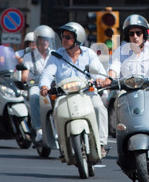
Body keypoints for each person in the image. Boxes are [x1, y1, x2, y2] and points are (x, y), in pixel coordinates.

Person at [39, 22, 109, 157]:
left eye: (68, 37)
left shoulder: (89, 54)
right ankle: (63, 146)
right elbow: (47, 74)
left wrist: (100, 78)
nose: (64, 40)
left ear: (78, 39)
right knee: (58, 113)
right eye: (63, 36)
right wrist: (44, 86)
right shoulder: (56, 55)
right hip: (64, 96)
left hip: (87, 93)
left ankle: (100, 144)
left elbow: (98, 70)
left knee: (99, 107)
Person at [21, 25, 57, 142]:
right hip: (36, 86)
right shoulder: (28, 56)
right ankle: (38, 129)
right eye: (43, 39)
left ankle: (60, 126)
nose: (46, 42)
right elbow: (25, 74)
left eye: (48, 39)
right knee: (34, 96)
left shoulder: (55, 54)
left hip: (53, 86)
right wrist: (25, 77)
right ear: (37, 40)